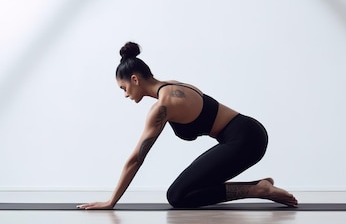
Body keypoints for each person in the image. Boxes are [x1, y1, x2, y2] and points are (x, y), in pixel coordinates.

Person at [78, 42, 298, 209]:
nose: (125, 94)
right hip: (248, 134)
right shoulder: (172, 85)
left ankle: (258, 189)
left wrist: (111, 201)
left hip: (245, 140)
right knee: (183, 192)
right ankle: (259, 186)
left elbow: (136, 158)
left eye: (123, 87)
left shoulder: (162, 107)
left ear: (135, 79)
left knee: (177, 196)